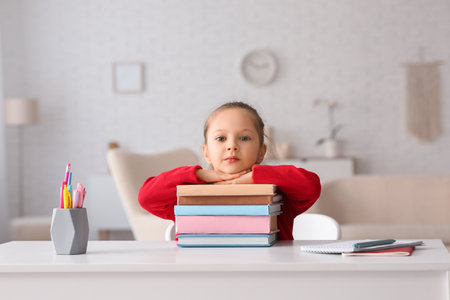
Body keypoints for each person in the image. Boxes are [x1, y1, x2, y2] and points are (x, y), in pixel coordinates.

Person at [138, 101, 321, 240]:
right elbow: (146, 197)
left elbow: (310, 185)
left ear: (261, 152)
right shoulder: (187, 195)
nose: (232, 146)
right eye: (220, 138)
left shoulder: (278, 193)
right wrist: (200, 174)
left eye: (244, 138)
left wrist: (255, 177)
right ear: (206, 153)